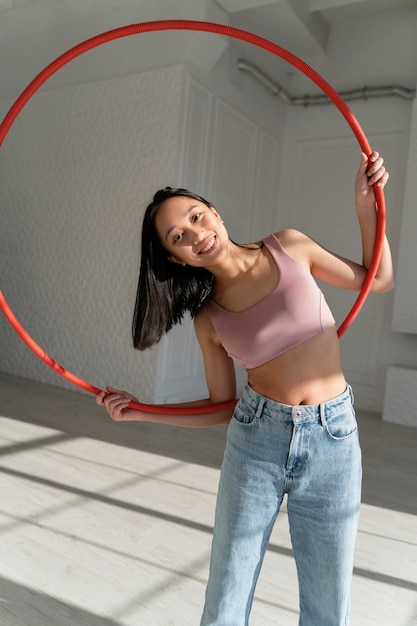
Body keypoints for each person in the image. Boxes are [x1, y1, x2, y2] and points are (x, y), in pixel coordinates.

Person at [97, 151, 393, 625]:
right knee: (228, 590)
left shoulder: (290, 246)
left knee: (328, 596)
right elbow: (222, 408)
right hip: (257, 441)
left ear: (213, 210)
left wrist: (366, 205)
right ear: (175, 256)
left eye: (196, 216)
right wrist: (140, 412)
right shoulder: (208, 318)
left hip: (334, 437)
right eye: (179, 236)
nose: (196, 233)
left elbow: (379, 278)